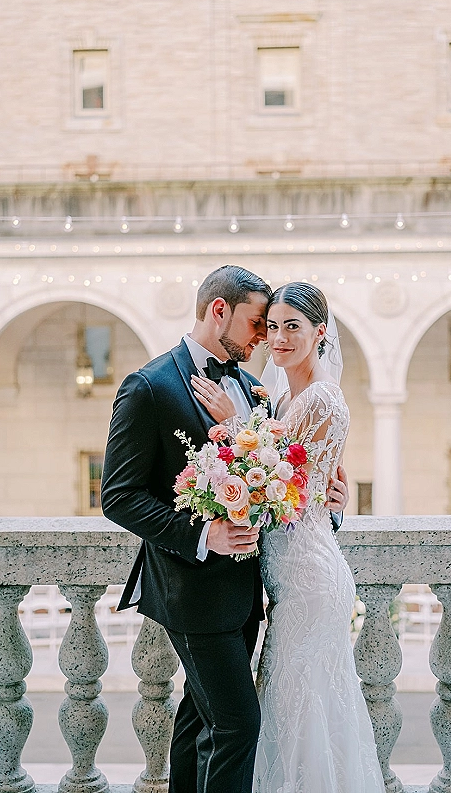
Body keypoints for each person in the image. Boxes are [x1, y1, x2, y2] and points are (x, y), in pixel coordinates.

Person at [101, 266, 349, 793]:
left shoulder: (254, 388)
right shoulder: (148, 387)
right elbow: (118, 497)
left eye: (278, 327)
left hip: (250, 593)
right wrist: (202, 536)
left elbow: (290, 477)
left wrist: (331, 501)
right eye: (258, 324)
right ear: (220, 311)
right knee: (239, 725)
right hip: (190, 591)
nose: (266, 338)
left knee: (198, 723)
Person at [193, 281, 384, 793]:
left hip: (307, 578)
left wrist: (234, 426)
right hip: (291, 574)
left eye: (291, 327)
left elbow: (279, 483)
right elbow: (313, 483)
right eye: (271, 326)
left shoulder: (320, 399)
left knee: (299, 707)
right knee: (292, 705)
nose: (277, 338)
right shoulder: (283, 394)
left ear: (320, 333)